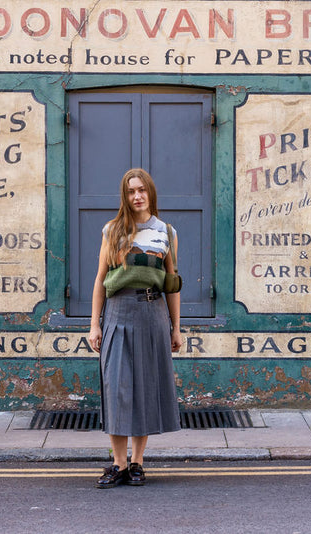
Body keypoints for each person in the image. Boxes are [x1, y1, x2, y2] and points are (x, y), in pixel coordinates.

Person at [89, 168, 182, 489]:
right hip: (117, 312)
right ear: (124, 196)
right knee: (117, 387)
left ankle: (138, 462)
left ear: (150, 193)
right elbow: (101, 280)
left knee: (143, 386)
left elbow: (172, 283)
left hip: (152, 312)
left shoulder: (166, 232)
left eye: (142, 190)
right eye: (131, 192)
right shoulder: (112, 230)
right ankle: (117, 464)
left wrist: (176, 328)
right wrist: (94, 325)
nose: (137, 196)